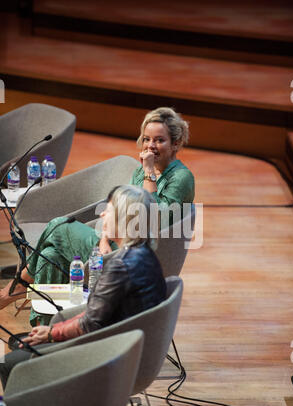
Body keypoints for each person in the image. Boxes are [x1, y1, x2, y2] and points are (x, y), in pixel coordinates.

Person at [0, 107, 194, 325]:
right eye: (147, 138)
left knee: (59, 227)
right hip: (113, 244)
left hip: (132, 256)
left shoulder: (180, 177)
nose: (150, 145)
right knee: (51, 255)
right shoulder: (142, 171)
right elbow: (122, 214)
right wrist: (103, 239)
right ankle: (44, 329)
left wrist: (149, 171)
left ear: (175, 144)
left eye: (160, 140)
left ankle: (15, 288)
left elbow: (147, 218)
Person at [0, 185, 166, 391]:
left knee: (10, 363)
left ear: (125, 220)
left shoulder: (119, 266)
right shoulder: (147, 256)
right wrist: (52, 330)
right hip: (130, 352)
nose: (103, 213)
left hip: (108, 358)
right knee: (51, 255)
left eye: (109, 209)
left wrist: (51, 334)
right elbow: (99, 315)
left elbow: (89, 326)